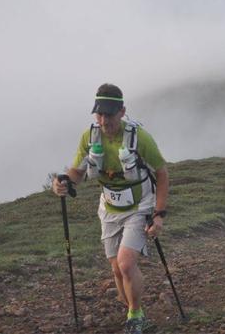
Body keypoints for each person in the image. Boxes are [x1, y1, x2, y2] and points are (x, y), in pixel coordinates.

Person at [52, 83, 169, 334]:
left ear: (122, 111)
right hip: (109, 208)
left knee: (126, 264)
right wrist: (62, 182)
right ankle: (130, 307)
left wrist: (158, 214)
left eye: (110, 114)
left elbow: (161, 172)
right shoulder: (90, 136)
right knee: (116, 268)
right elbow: (77, 171)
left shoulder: (139, 138)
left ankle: (136, 316)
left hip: (139, 207)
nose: (104, 120)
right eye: (99, 114)